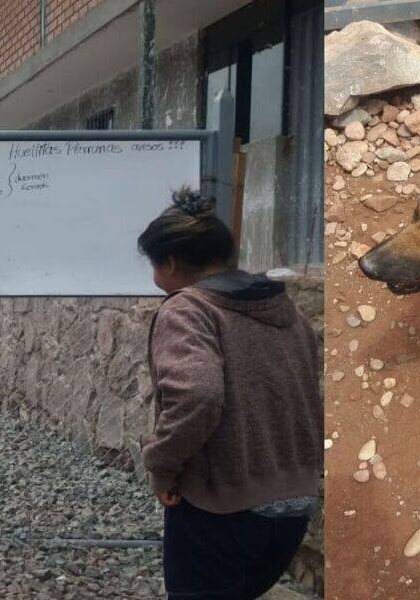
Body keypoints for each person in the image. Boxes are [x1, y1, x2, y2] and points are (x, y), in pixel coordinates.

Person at [138, 187, 323, 599]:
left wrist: (162, 465)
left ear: (169, 261)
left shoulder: (188, 309)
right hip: (293, 506)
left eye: (153, 266)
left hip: (222, 507)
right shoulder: (286, 310)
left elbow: (198, 394)